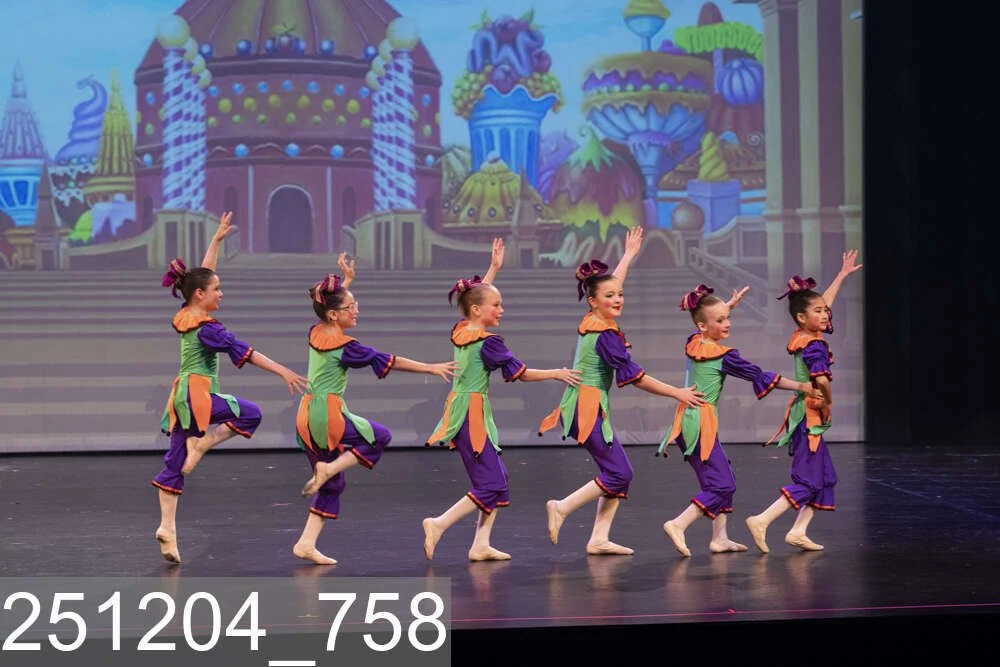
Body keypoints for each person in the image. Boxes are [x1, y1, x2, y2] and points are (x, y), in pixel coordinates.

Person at [152, 211, 308, 563]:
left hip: (180, 397)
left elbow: (201, 275)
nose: (221, 293)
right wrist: (282, 371)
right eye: (217, 290)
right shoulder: (209, 329)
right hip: (198, 396)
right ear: (200, 294)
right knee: (250, 414)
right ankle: (204, 442)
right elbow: (246, 352)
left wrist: (216, 240)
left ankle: (167, 529)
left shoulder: (186, 314)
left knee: (176, 463)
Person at [540, 227, 707, 556]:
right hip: (585, 408)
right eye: (610, 296)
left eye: (620, 294)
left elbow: (609, 284)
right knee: (620, 472)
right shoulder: (605, 336)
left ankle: (599, 538)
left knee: (616, 474)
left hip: (586, 404)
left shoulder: (595, 319)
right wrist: (677, 392)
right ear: (593, 301)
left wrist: (628, 255)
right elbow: (636, 378)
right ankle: (562, 507)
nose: (617, 299)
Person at [422, 239, 581, 562]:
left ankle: (480, 544)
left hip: (464, 408)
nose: (501, 309)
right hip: (471, 415)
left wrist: (493, 269)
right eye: (497, 305)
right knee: (492, 483)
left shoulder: (462, 329)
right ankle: (438, 524)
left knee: (497, 479)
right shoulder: (488, 342)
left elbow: (474, 300)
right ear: (478, 310)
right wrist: (556, 373)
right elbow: (520, 373)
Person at [293, 254, 457, 565]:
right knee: (379, 437)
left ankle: (306, 543)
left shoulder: (316, 331)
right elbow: (389, 361)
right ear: (333, 314)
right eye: (350, 307)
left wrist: (346, 282)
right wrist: (429, 367)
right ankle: (327, 469)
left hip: (305, 415)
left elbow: (330, 308)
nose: (356, 310)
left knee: (333, 484)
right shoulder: (346, 347)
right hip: (327, 414)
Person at [659, 283, 820, 558]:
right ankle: (679, 523)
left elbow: (706, 322)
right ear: (702, 325)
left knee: (720, 478)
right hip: (699, 425)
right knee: (723, 484)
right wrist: (802, 386)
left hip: (688, 420)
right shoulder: (724, 356)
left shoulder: (694, 342)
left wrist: (727, 306)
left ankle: (719, 538)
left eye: (728, 318)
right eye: (720, 320)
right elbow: (760, 375)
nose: (727, 324)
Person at [745, 251, 862, 553]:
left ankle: (797, 531)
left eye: (825, 311)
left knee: (825, 478)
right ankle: (762, 520)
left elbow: (823, 304)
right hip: (809, 416)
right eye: (819, 312)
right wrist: (828, 404)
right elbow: (821, 381)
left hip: (806, 413)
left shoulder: (803, 334)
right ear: (801, 317)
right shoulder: (814, 345)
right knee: (809, 480)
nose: (825, 315)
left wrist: (841, 275)